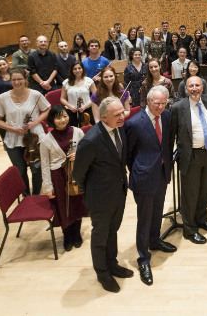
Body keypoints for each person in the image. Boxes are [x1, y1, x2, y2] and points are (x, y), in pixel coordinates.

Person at [72, 96, 133, 293]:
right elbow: (78, 173)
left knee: (112, 231)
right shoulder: (91, 140)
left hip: (118, 193)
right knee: (100, 236)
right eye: (116, 115)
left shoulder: (120, 128)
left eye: (122, 113)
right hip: (100, 198)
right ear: (104, 117)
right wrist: (91, 189)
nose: (121, 117)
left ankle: (112, 264)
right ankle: (102, 272)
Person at [125, 86, 176, 286]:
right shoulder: (135, 123)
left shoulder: (167, 116)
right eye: (157, 103)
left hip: (162, 174)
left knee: (157, 212)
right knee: (144, 218)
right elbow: (129, 155)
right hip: (144, 177)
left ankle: (154, 240)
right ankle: (143, 258)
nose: (160, 107)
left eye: (164, 103)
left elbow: (167, 143)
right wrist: (140, 170)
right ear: (147, 101)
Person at [170, 76, 207, 245]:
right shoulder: (177, 107)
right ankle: (189, 229)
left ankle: (201, 219)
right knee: (190, 194)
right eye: (191, 86)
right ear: (186, 89)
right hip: (190, 156)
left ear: (202, 87)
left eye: (197, 85)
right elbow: (171, 136)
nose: (194, 88)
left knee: (205, 191)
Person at [0, 68, 50, 196]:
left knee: (36, 168)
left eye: (20, 79)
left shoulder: (35, 94)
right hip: (13, 137)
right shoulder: (2, 98)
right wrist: (11, 128)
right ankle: (26, 195)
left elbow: (47, 109)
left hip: (34, 137)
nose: (17, 82)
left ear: (25, 79)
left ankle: (35, 195)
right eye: (14, 80)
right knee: (20, 170)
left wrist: (36, 122)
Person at [40, 105, 86, 252]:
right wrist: (48, 187)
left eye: (65, 116)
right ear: (52, 120)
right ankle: (67, 236)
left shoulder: (78, 132)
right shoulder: (46, 140)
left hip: (75, 172)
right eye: (58, 117)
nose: (62, 120)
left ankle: (77, 233)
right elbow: (45, 165)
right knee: (63, 206)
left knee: (77, 202)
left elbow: (87, 151)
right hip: (58, 176)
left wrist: (78, 155)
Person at [61, 62, 96, 127]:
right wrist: (70, 106)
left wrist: (85, 106)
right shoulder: (66, 82)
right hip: (72, 111)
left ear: (82, 69)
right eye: (75, 69)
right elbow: (62, 98)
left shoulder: (89, 81)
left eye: (79, 68)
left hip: (87, 110)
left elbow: (96, 96)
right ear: (72, 70)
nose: (77, 70)